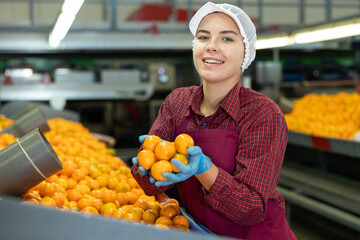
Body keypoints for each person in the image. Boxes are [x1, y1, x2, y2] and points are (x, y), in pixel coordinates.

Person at [131, 2, 297, 239]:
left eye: (227, 39)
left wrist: (204, 170)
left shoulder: (262, 113)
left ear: (246, 51)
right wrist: (145, 168)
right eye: (203, 37)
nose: (211, 47)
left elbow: (250, 210)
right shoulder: (177, 102)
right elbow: (148, 185)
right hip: (200, 231)